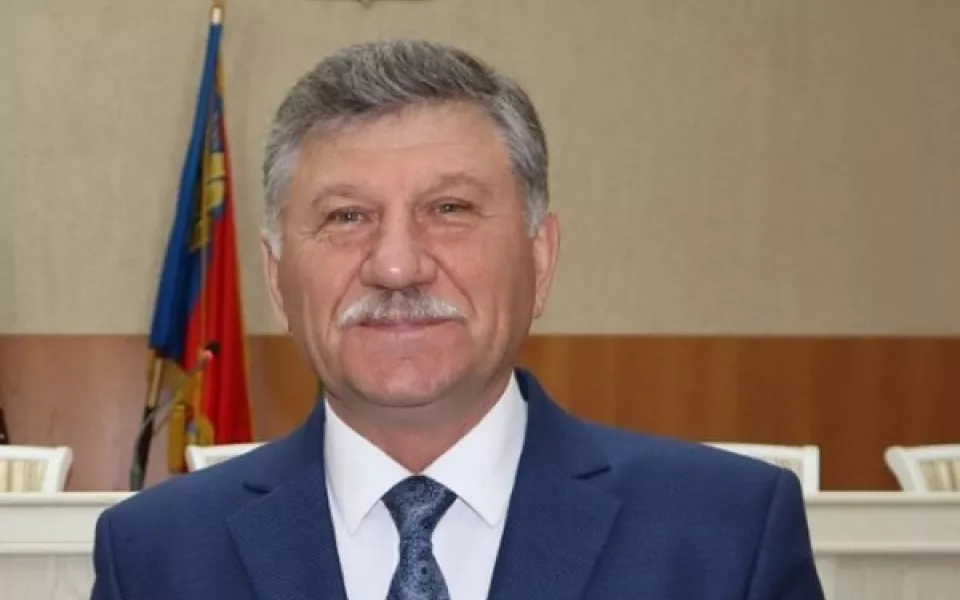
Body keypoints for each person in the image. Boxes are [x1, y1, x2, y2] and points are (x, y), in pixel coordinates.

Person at [91, 39, 824, 600]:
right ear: (278, 279)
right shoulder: (156, 556)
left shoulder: (725, 536)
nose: (397, 266)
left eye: (449, 209)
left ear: (540, 259)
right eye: (347, 217)